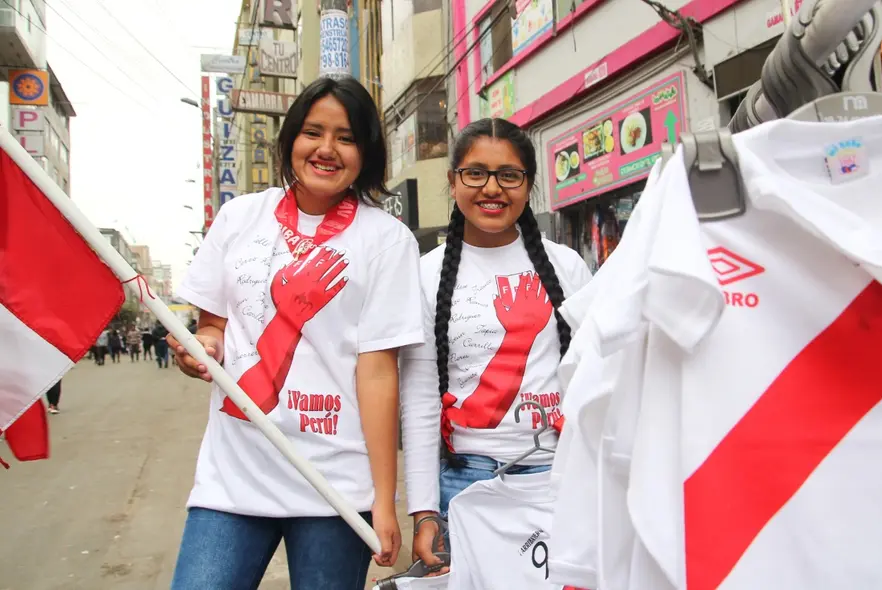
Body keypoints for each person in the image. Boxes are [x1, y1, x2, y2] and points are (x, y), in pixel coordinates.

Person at [166, 75, 423, 590]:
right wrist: (203, 347)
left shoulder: (386, 240)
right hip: (232, 479)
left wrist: (384, 500)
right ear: (290, 141)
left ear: (365, 152)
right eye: (313, 132)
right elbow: (212, 324)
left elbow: (377, 375)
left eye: (346, 137)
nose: (327, 149)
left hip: (334, 488)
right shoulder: (240, 217)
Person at [400, 118, 592, 571]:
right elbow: (421, 398)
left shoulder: (566, 266)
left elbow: (594, 375)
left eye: (509, 175)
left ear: (528, 185)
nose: (492, 188)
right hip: (466, 485)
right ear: (453, 182)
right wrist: (425, 509)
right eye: (475, 173)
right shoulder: (425, 275)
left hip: (558, 474)